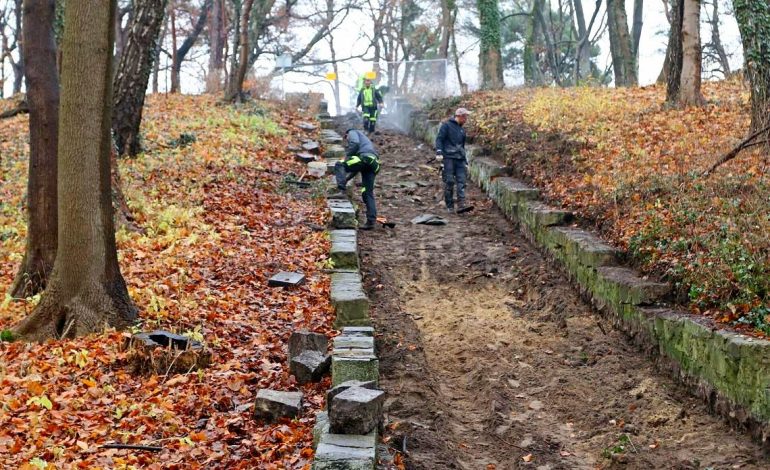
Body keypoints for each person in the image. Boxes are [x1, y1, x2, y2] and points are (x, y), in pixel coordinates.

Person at [333, 129, 381, 230]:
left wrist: (346, 156)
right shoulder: (365, 142)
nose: (347, 140)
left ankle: (341, 192)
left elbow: (354, 143)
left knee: (339, 164)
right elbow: (357, 168)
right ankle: (371, 222)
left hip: (365, 158)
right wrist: (346, 179)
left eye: (346, 138)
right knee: (367, 192)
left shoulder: (352, 132)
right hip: (374, 163)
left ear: (346, 134)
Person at [435, 107, 472, 213]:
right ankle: (450, 205)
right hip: (448, 158)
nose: (466, 119)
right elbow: (439, 139)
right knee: (449, 181)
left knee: (462, 182)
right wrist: (439, 152)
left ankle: (461, 205)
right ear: (459, 116)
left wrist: (465, 162)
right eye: (465, 117)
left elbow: (462, 147)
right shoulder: (446, 126)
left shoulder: (462, 130)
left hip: (460, 159)